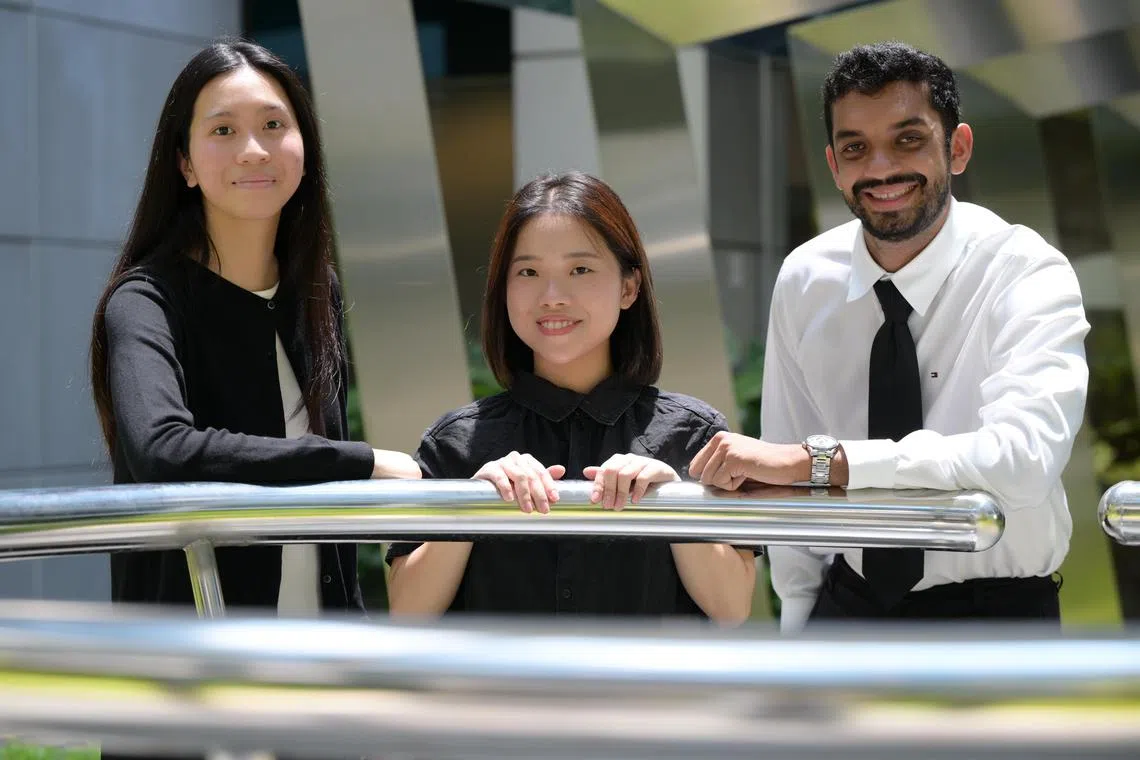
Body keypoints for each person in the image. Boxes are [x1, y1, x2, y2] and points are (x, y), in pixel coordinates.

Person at [689, 42, 1089, 630]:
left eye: (908, 139)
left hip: (994, 615)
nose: (879, 169)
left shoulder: (1025, 270)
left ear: (957, 148)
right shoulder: (806, 278)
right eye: (856, 147)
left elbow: (1022, 458)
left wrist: (823, 463)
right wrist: (798, 625)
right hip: (844, 608)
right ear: (833, 164)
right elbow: (787, 490)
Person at [89, 39, 421, 616]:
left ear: (304, 148)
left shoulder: (316, 290)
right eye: (222, 131)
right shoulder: (146, 300)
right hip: (198, 656)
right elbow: (163, 450)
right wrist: (361, 460)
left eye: (273, 124)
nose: (253, 150)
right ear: (185, 164)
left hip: (324, 649)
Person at [385, 172, 756, 624]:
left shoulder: (694, 435)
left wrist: (671, 498)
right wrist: (473, 502)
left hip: (649, 695)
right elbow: (406, 612)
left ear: (628, 287)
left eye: (580, 269)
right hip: (498, 695)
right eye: (528, 272)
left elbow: (734, 608)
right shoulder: (457, 442)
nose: (552, 297)